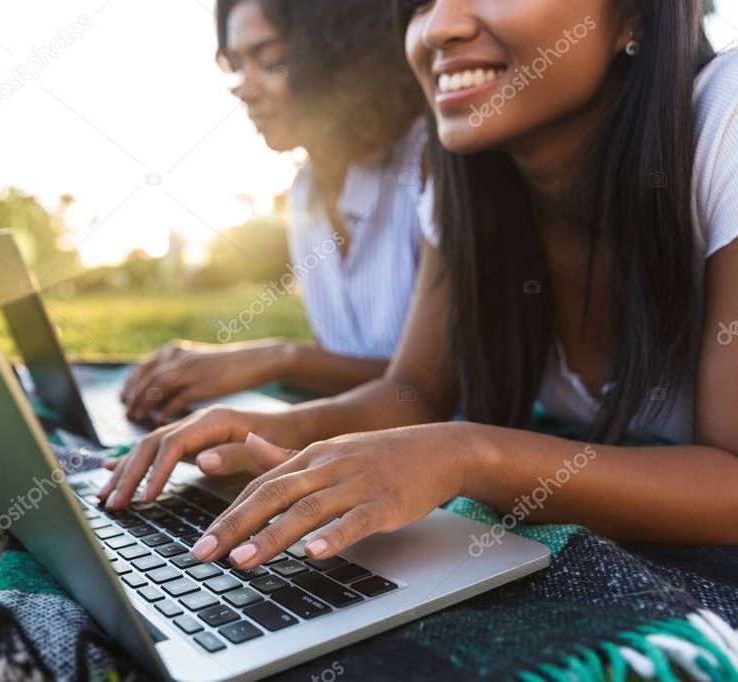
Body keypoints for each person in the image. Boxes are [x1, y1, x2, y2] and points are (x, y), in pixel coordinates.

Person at [99, 0, 738, 567]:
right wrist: (271, 432)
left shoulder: (723, 124)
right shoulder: (469, 184)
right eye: (420, 3)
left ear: (635, 14)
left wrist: (467, 454)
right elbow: (413, 393)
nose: (438, 27)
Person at [120, 0, 425, 425]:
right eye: (236, 66)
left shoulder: (426, 160)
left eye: (272, 61)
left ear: (340, 56)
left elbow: (435, 388)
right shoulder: (304, 194)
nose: (247, 88)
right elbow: (349, 379)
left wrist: (281, 358)